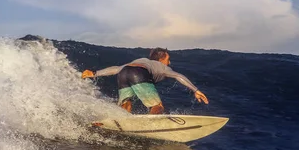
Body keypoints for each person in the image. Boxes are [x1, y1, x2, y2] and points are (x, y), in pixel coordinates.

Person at [81, 47, 209, 114]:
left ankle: (117, 122)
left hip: (124, 73)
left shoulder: (141, 61)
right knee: (157, 106)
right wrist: (195, 90)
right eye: (168, 58)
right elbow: (178, 76)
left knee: (126, 105)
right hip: (139, 74)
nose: (169, 62)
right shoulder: (162, 66)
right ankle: (153, 121)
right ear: (161, 59)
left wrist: (95, 73)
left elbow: (116, 69)